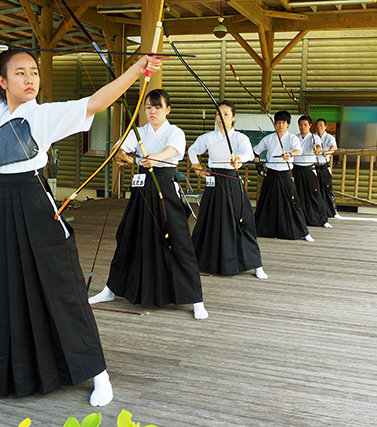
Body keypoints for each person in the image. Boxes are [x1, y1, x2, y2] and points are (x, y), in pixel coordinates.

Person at [0, 38, 162, 406]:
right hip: (1, 205)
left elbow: (96, 102)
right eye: (20, 73)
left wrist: (137, 70)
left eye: (34, 72)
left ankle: (97, 371)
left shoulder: (43, 114)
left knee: (61, 287)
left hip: (33, 203)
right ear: (2, 81)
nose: (30, 79)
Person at [88, 89, 208, 320]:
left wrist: (154, 157)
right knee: (128, 237)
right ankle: (111, 289)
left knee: (178, 241)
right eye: (149, 107)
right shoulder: (139, 131)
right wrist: (121, 154)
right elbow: (120, 149)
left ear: (168, 109)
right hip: (142, 189)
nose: (152, 112)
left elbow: (172, 151)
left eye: (158, 107)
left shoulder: (175, 132)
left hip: (165, 188)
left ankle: (196, 299)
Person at [187, 100, 267, 279]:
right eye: (218, 114)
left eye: (225, 114)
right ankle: (202, 261)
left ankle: (255, 263)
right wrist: (197, 166)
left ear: (233, 117)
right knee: (208, 220)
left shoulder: (239, 138)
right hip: (214, 180)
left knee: (242, 221)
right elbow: (192, 150)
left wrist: (239, 158)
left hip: (232, 180)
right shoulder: (208, 137)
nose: (221, 117)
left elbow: (248, 152)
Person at [253, 110, 313, 242]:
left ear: (288, 124)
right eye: (278, 122)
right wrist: (258, 164)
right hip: (271, 174)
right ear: (275, 124)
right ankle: (258, 230)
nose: (281, 125)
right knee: (266, 202)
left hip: (285, 174)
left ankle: (304, 231)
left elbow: (299, 151)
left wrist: (290, 154)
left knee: (294, 202)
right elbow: (256, 151)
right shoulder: (268, 138)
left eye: (284, 123)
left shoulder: (292, 138)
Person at [294, 116, 331, 228]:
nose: (302, 127)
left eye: (305, 124)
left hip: (309, 170)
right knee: (297, 195)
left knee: (315, 194)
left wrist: (318, 149)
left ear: (310, 126)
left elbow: (318, 145)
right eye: (301, 124)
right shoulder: (295, 138)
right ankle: (299, 219)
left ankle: (323, 219)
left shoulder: (314, 138)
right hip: (296, 169)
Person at [315, 118, 342, 219]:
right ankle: (318, 212)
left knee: (328, 189)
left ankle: (333, 212)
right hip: (314, 166)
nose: (319, 127)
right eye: (317, 125)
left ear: (326, 127)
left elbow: (333, 147)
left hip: (324, 165)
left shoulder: (330, 137)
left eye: (321, 125)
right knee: (316, 190)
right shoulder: (313, 136)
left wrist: (328, 152)